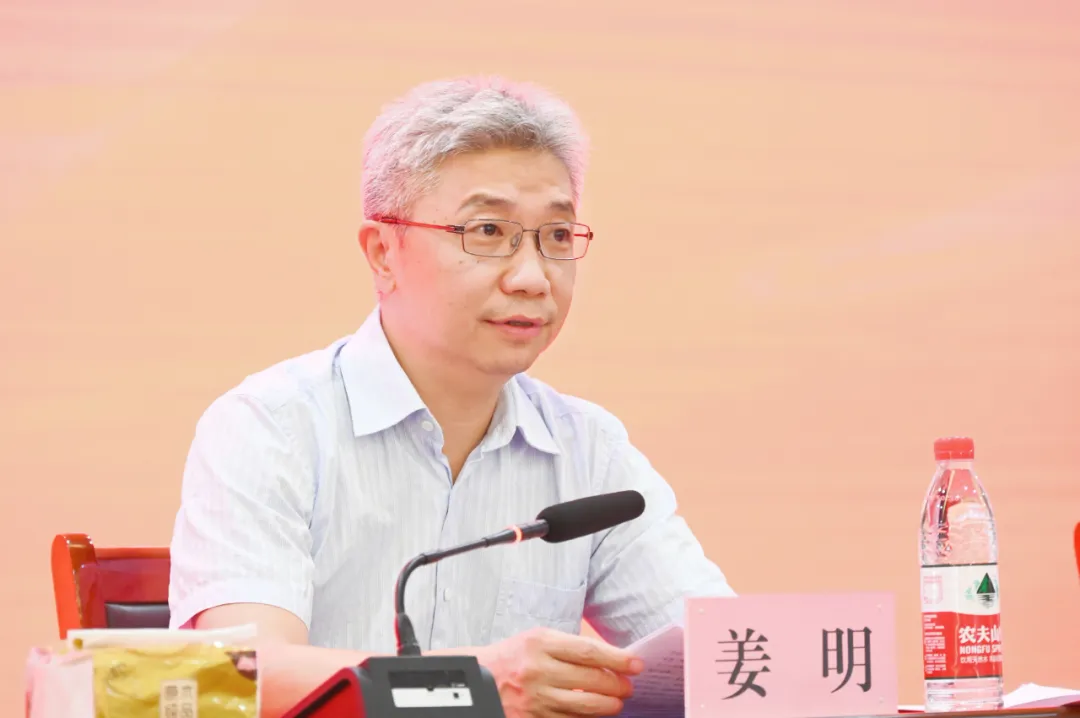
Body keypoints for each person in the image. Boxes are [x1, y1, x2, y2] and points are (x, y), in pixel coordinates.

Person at [168, 75, 735, 718]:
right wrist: (475, 683)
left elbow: (724, 659)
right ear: (383, 252)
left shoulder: (589, 450)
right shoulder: (272, 427)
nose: (532, 277)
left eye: (556, 236)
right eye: (488, 231)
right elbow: (243, 676)